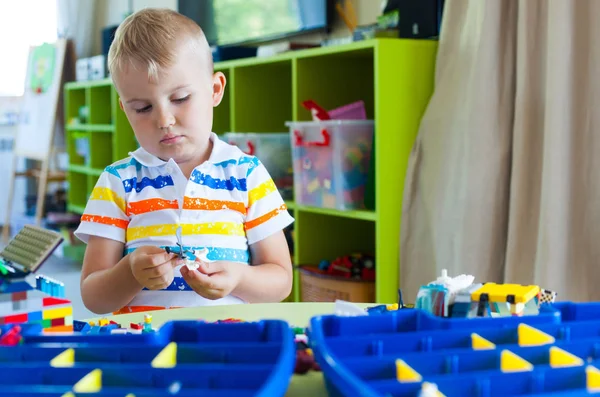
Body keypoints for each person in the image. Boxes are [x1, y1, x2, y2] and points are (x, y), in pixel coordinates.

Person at [74, 8, 294, 315]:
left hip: (228, 342)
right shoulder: (117, 183)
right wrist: (129, 274)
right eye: (142, 108)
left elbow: (281, 282)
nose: (164, 119)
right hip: (144, 346)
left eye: (180, 99)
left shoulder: (247, 175)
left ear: (215, 90)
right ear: (125, 110)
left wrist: (239, 278)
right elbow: (93, 297)